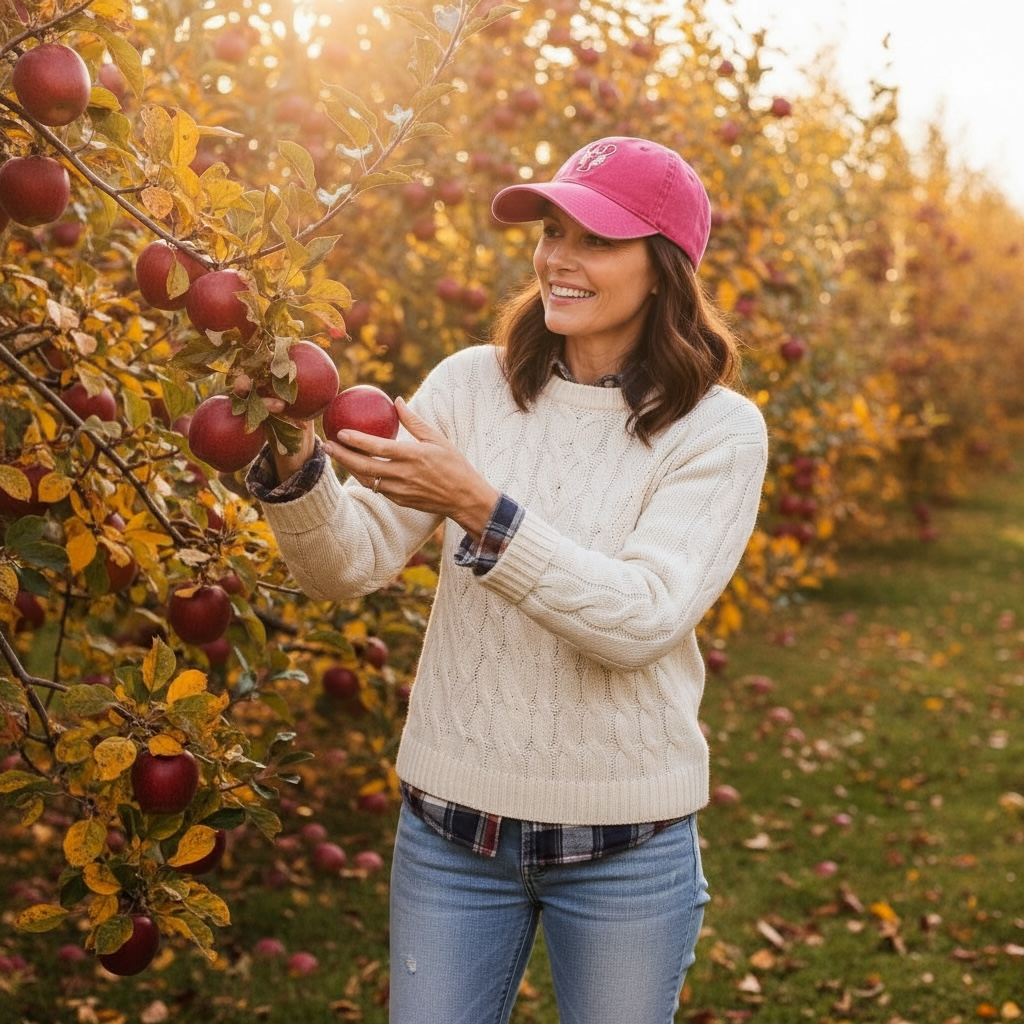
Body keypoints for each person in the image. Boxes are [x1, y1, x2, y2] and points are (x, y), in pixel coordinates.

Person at [246, 136, 769, 1024]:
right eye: (552, 232)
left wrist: (485, 511)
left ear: (665, 268)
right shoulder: (471, 386)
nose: (559, 259)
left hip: (625, 848)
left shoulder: (716, 432)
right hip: (452, 834)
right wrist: (293, 460)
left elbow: (642, 617)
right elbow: (351, 563)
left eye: (596, 241)